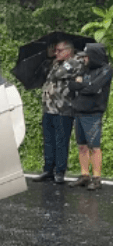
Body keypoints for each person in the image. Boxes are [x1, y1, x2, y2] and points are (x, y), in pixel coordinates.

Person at [33, 40, 82, 184]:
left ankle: (59, 171)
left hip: (63, 109)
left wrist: (54, 61)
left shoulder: (73, 62)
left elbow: (57, 75)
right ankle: (48, 169)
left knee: (61, 141)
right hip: (49, 108)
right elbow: (45, 76)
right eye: (55, 51)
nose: (56, 53)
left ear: (68, 51)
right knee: (49, 140)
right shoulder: (55, 63)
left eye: (59, 50)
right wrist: (50, 59)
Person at [67, 43, 112, 191]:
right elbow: (72, 84)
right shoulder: (84, 69)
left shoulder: (106, 69)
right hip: (79, 111)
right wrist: (83, 85)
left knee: (94, 146)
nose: (84, 59)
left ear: (94, 56)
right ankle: (85, 175)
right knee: (82, 146)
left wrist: (82, 84)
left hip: (93, 113)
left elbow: (94, 87)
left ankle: (97, 178)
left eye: (86, 56)